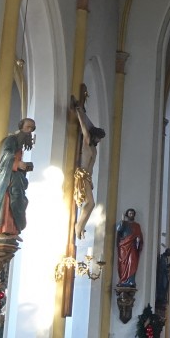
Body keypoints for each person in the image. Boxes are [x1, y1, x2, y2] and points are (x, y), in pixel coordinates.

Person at [0, 118, 36, 238]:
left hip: (17, 178)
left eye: (32, 129)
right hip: (8, 178)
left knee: (21, 200)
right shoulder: (11, 140)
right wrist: (17, 164)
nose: (29, 131)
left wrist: (24, 166)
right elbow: (5, 155)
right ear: (21, 127)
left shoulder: (20, 145)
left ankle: (14, 229)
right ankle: (4, 230)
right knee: (9, 200)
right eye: (28, 127)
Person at [71, 91, 106, 239]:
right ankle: (79, 225)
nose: (99, 140)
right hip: (82, 174)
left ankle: (80, 225)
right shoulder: (86, 143)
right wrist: (79, 112)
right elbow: (85, 129)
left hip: (87, 177)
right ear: (95, 136)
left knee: (89, 203)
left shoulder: (93, 148)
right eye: (98, 137)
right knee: (90, 204)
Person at [115, 207, 143, 287]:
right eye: (130, 213)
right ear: (127, 215)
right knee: (123, 264)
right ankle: (123, 280)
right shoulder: (124, 223)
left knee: (132, 262)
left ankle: (131, 281)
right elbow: (119, 230)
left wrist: (138, 240)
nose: (131, 215)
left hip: (132, 247)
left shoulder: (137, 225)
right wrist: (122, 221)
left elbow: (139, 237)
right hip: (123, 247)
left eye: (132, 214)